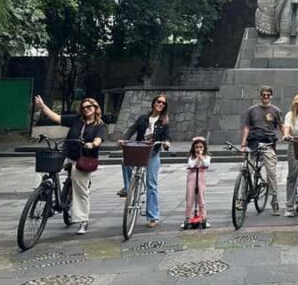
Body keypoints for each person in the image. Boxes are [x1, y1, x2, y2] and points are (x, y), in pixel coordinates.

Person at [33, 95, 106, 235]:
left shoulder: (100, 125)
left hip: (84, 158)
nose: (86, 109)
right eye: (83, 107)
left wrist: (92, 144)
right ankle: (41, 196)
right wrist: (42, 106)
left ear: (96, 108)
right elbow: (56, 117)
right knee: (43, 166)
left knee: (80, 189)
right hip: (67, 153)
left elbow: (98, 139)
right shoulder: (77, 120)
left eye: (89, 107)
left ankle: (82, 220)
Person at [118, 93, 171, 228]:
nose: (160, 104)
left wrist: (166, 142)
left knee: (151, 184)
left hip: (152, 152)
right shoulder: (143, 118)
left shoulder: (164, 121)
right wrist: (124, 138)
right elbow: (132, 129)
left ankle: (153, 216)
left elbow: (167, 135)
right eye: (158, 102)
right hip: (139, 149)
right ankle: (128, 187)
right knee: (125, 161)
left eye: (163, 103)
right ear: (153, 103)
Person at [240, 85, 284, 215]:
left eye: (268, 95)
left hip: (268, 143)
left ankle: (274, 199)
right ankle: (242, 197)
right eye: (263, 95)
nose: (265, 97)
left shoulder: (276, 110)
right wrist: (243, 145)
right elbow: (247, 127)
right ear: (260, 96)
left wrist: (286, 136)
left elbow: (282, 126)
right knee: (246, 169)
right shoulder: (252, 110)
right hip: (253, 142)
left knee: (271, 172)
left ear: (271, 96)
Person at [182, 136, 210, 229]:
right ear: (194, 148)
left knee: (201, 198)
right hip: (192, 178)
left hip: (201, 178)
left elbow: (206, 164)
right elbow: (191, 165)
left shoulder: (206, 157)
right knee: (190, 198)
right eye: (197, 147)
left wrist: (201, 157)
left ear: (204, 148)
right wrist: (197, 158)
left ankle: (203, 217)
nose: (199, 149)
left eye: (201, 147)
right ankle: (188, 218)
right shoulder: (191, 157)